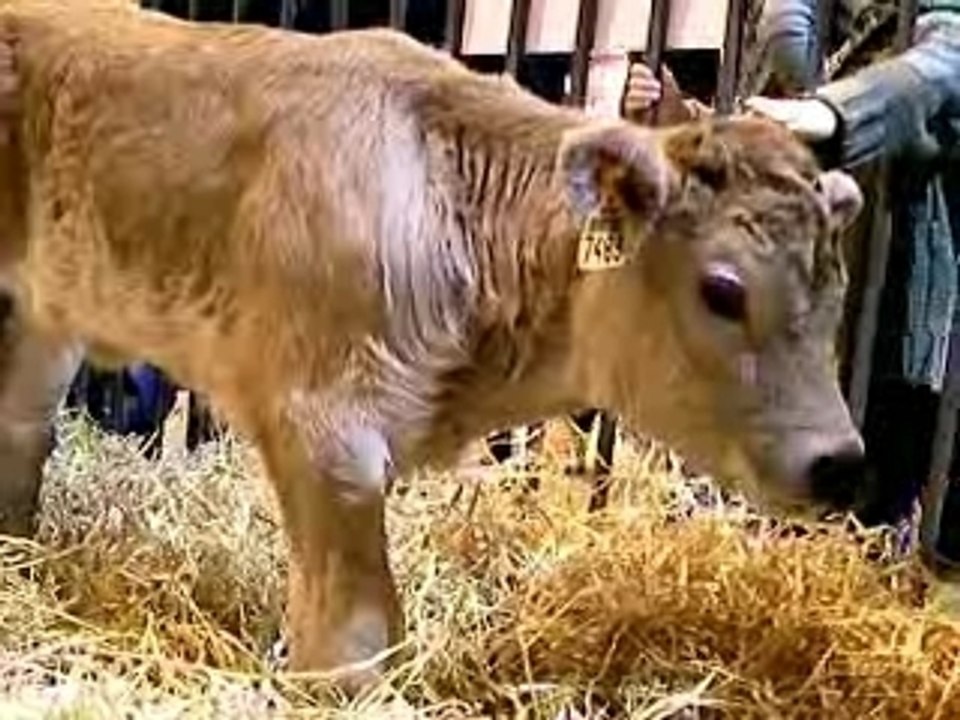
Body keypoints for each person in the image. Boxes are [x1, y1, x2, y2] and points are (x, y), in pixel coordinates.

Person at [743, 0, 960, 572]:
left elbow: (951, 53)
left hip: (915, 299)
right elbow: (783, 37)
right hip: (827, 298)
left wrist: (839, 114)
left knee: (906, 533)